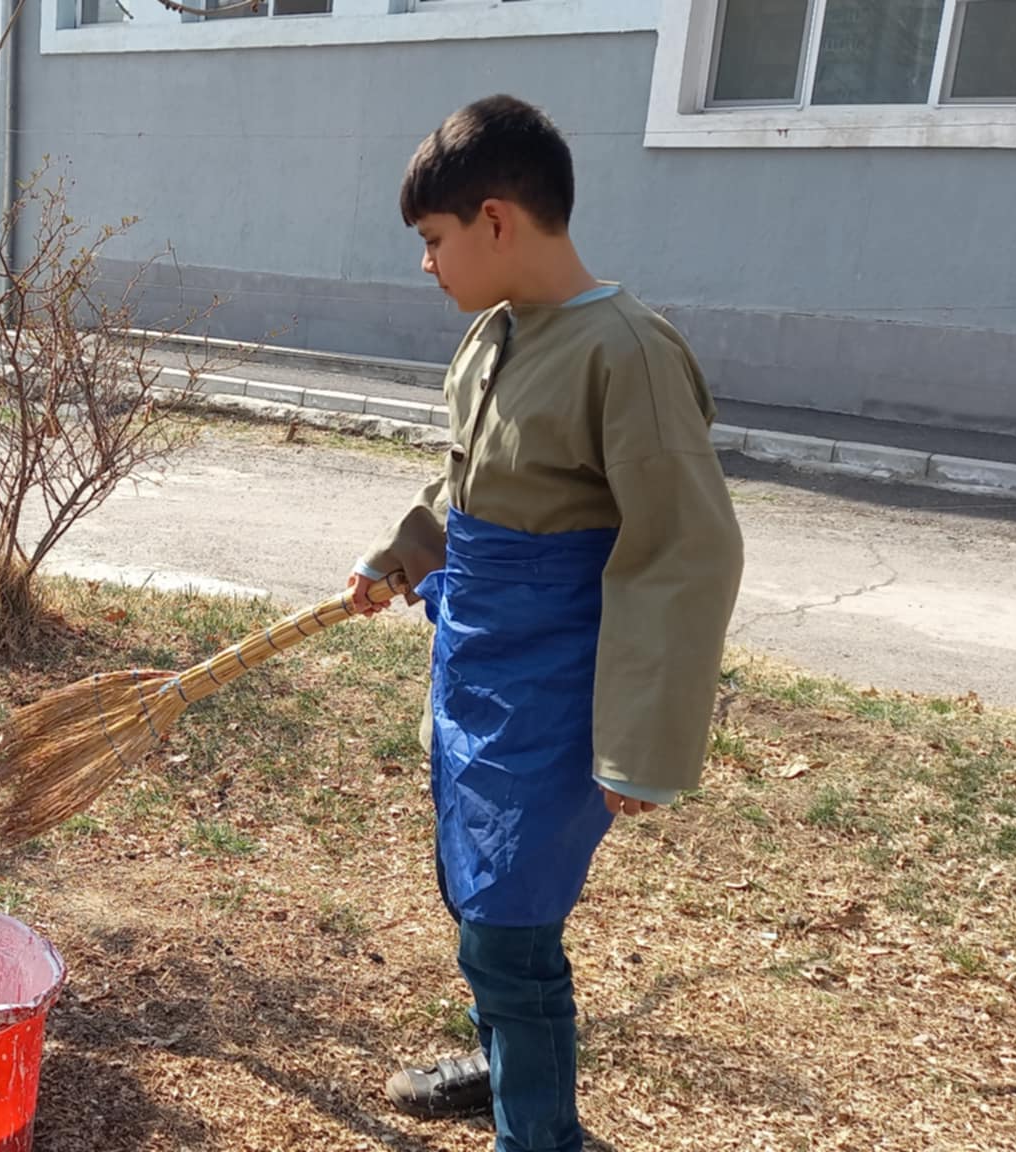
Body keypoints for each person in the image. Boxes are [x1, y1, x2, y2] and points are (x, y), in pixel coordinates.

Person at [347, 95, 745, 1151]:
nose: (425, 265)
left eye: (432, 242)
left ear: (493, 221)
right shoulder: (491, 340)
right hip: (476, 667)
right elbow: (470, 493)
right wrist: (401, 559)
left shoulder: (627, 352)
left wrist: (637, 747)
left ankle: (540, 1133)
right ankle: (497, 1060)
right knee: (470, 887)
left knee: (510, 926)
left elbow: (682, 551)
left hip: (557, 690)